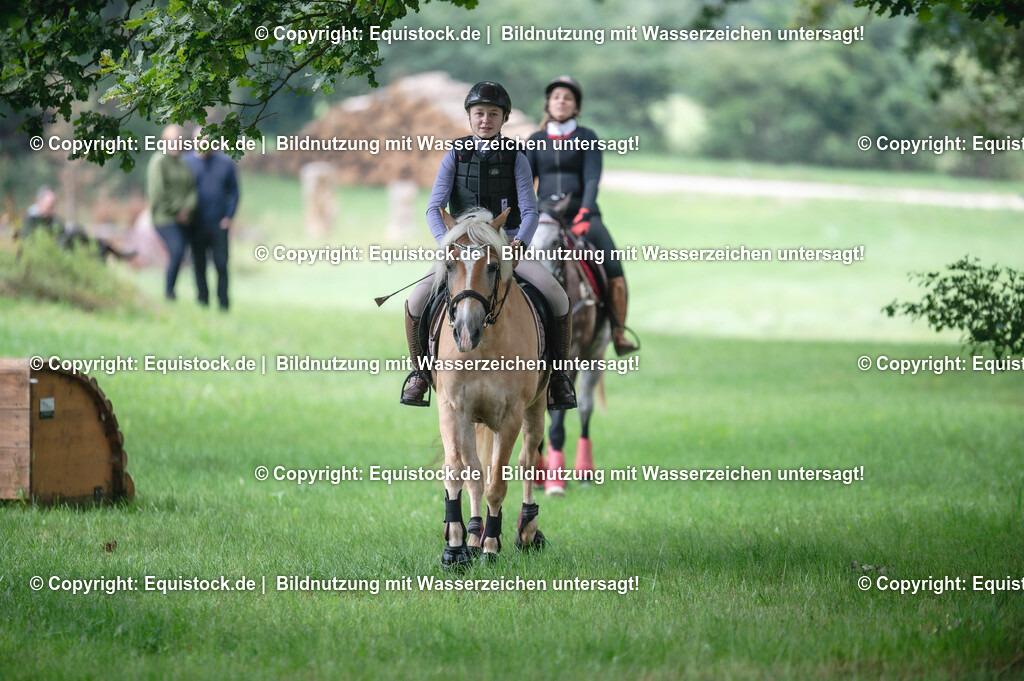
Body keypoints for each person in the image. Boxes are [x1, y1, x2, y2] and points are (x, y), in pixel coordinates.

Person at [400, 81, 577, 411]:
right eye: (479, 113)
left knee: (558, 297)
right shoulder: (454, 155)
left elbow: (529, 210)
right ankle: (421, 374)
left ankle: (558, 378)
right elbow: (433, 207)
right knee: (416, 299)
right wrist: (447, 244)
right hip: (462, 249)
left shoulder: (516, 158)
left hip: (504, 245)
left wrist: (519, 243)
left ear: (504, 118)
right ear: (469, 116)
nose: (485, 120)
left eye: (493, 114)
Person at [525, 76, 638, 356]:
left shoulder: (587, 137)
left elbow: (591, 180)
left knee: (614, 271)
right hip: (544, 218)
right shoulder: (535, 140)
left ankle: (619, 332)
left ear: (576, 107)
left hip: (583, 217)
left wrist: (585, 213)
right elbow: (526, 184)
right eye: (556, 97)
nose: (561, 101)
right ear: (548, 104)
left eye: (567, 98)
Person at [185, 130, 239, 310]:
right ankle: (203, 301)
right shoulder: (186, 163)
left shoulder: (225, 163)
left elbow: (235, 192)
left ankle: (223, 303)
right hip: (195, 224)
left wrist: (229, 217)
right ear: (194, 141)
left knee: (221, 265)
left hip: (218, 224)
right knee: (198, 265)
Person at [147, 124, 196, 300]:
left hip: (184, 217)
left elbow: (192, 189)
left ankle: (175, 290)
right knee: (177, 250)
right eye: (173, 141)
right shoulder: (158, 161)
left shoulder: (184, 163)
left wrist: (187, 208)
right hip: (164, 217)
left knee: (182, 252)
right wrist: (178, 210)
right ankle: (169, 292)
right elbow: (158, 193)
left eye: (179, 141)